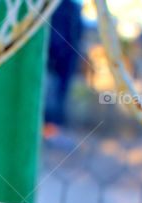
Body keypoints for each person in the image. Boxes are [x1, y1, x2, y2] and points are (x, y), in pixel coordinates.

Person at [44, 0, 84, 151]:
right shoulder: (60, 6)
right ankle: (49, 131)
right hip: (57, 58)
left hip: (66, 57)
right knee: (52, 92)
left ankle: (52, 130)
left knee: (58, 92)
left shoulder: (73, 6)